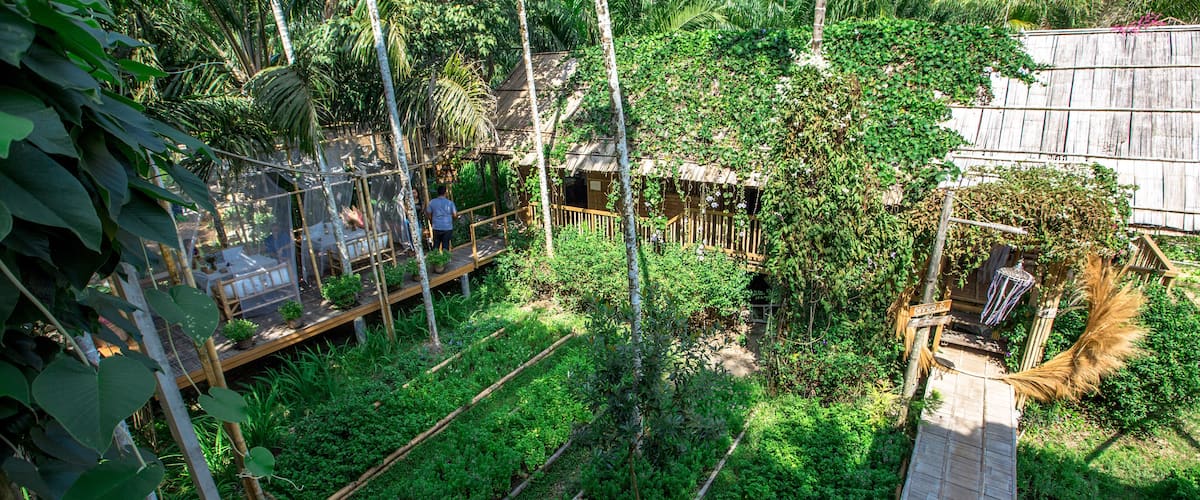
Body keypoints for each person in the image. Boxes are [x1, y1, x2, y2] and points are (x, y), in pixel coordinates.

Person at [426, 185, 457, 252]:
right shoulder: (450, 203)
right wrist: (452, 220)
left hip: (436, 226)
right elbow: (455, 215)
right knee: (445, 245)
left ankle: (435, 258)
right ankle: (445, 259)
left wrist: (431, 221)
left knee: (436, 245)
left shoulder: (432, 202)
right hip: (447, 227)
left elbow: (428, 214)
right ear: (445, 193)